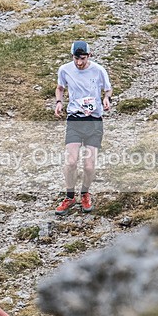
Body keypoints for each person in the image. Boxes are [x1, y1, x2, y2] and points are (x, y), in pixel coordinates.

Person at [54, 39, 112, 215]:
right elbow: (60, 88)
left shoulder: (99, 70)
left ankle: (85, 193)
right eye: (76, 59)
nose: (79, 63)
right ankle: (70, 196)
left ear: (89, 56)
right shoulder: (65, 69)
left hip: (94, 120)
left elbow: (108, 89)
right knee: (71, 161)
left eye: (83, 59)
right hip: (74, 119)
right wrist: (59, 102)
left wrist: (106, 98)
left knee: (88, 165)